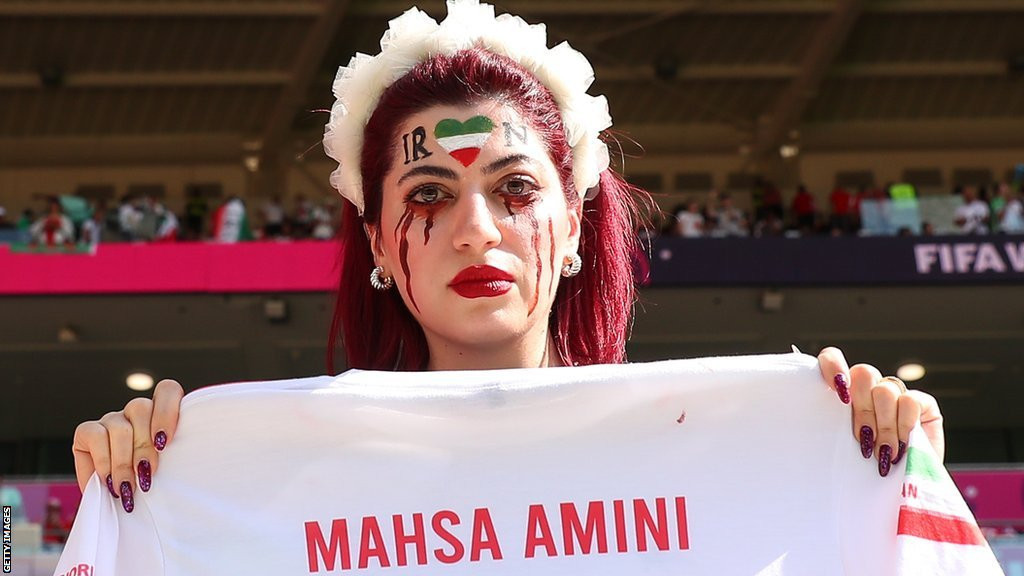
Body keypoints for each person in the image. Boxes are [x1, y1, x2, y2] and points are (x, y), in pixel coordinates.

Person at [72, 0, 943, 552]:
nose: (474, 231)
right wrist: (131, 512)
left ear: (571, 226)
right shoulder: (255, 482)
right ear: (376, 241)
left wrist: (893, 494)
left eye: (515, 189)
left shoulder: (744, 451)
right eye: (428, 195)